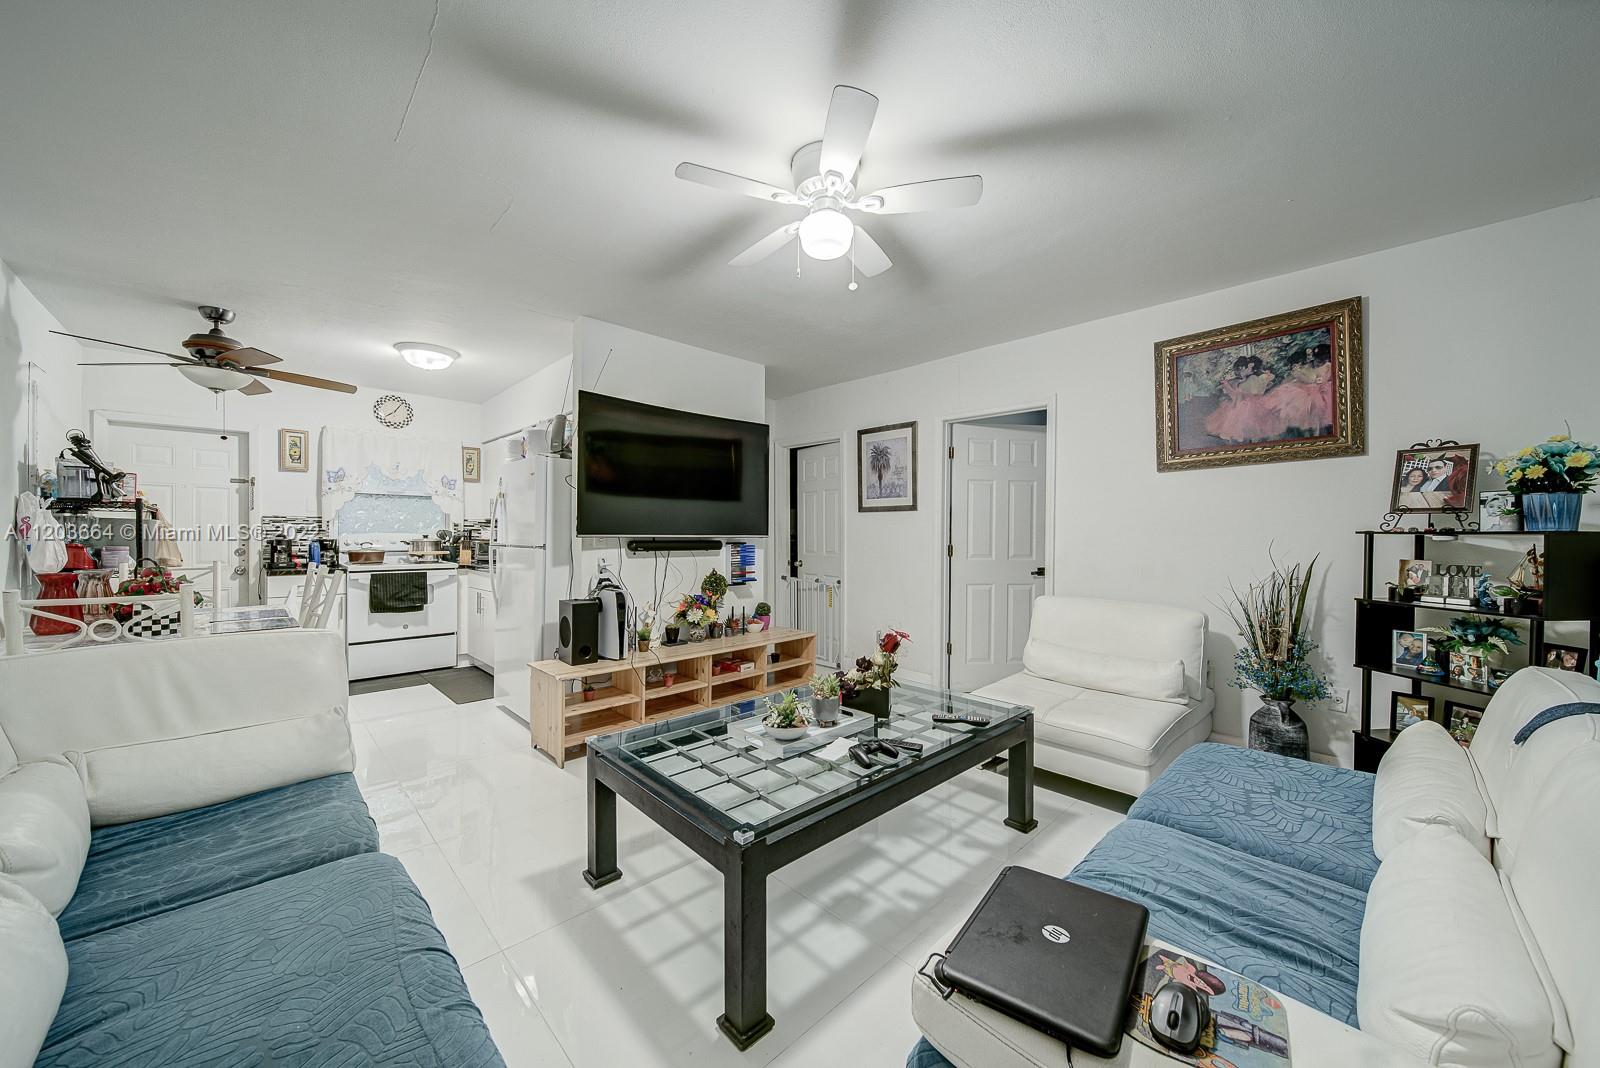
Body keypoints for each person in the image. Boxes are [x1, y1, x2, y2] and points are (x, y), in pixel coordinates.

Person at [1204, 355, 1281, 443]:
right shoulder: (1259, 378)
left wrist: (1227, 386)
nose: (1240, 372)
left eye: (1242, 369)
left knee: (1241, 427)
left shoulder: (1252, 380)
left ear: (1249, 368)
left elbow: (1239, 395)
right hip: (1252, 406)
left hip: (1248, 407)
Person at [1267, 343, 1334, 438]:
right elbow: (1299, 379)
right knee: (1310, 415)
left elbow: (1331, 378)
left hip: (1324, 393)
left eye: (1323, 360)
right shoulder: (1306, 367)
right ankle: (1312, 436)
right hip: (1306, 395)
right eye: (1318, 360)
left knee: (1321, 413)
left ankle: (1320, 436)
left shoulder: (1329, 366)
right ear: (1314, 357)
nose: (1320, 363)